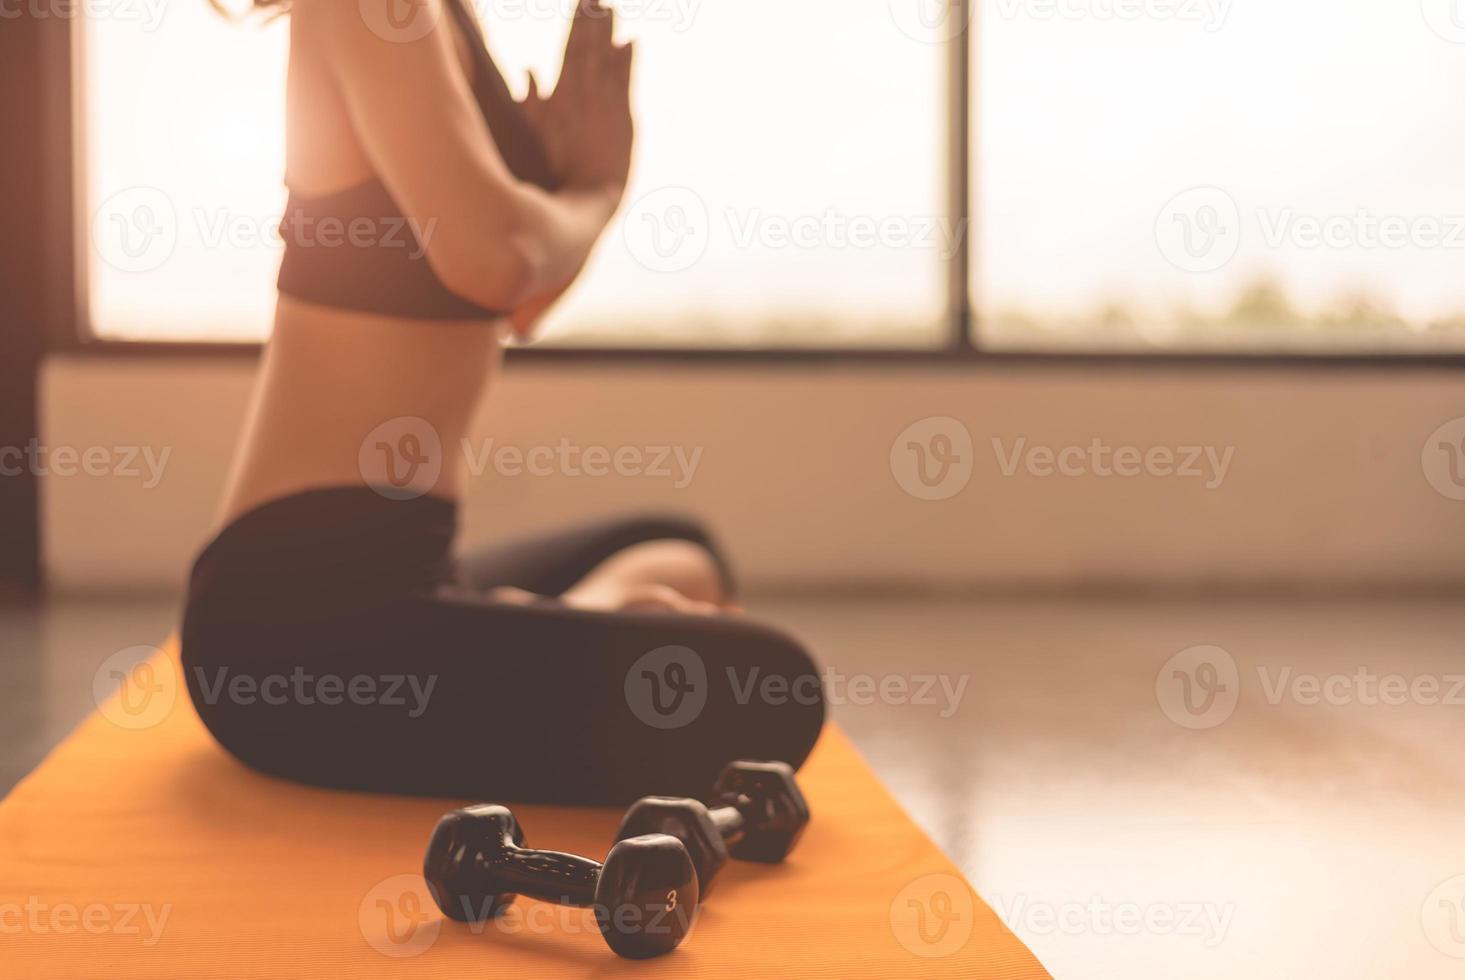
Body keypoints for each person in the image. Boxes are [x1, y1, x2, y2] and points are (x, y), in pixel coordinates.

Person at [180, 0, 824, 804]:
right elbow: (495, 260)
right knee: (776, 687)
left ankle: (572, 613)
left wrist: (557, 191)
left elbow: (521, 301)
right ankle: (574, 621)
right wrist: (593, 189)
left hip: (413, 566)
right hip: (293, 629)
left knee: (675, 542)